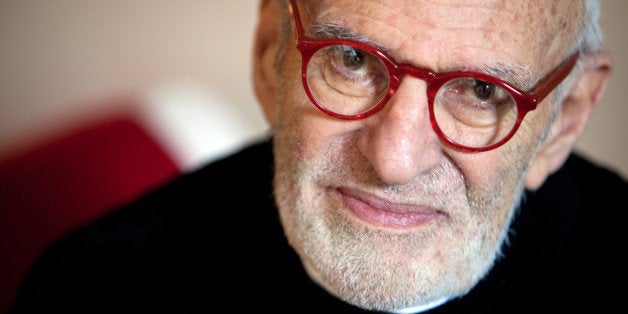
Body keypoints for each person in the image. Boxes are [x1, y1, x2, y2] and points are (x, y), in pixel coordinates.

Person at [8, 0, 627, 313]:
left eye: (482, 92)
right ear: (270, 52)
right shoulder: (95, 298)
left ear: (563, 120)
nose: (394, 160)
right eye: (352, 61)